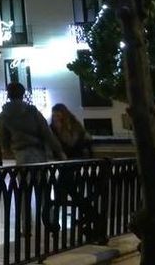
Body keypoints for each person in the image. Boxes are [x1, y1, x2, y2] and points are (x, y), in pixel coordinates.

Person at [0, 83, 66, 237]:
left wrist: (8, 149)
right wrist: (59, 151)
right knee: (44, 193)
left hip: (22, 157)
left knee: (24, 195)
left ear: (8, 95)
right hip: (39, 155)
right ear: (23, 94)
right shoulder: (32, 112)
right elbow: (47, 133)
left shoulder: (4, 116)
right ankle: (50, 224)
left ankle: (26, 228)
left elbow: (3, 139)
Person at [49, 103, 102, 240]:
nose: (55, 117)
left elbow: (81, 143)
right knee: (69, 192)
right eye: (54, 114)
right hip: (67, 164)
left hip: (74, 164)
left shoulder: (74, 127)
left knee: (67, 192)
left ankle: (90, 216)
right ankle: (91, 216)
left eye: (57, 114)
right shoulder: (54, 128)